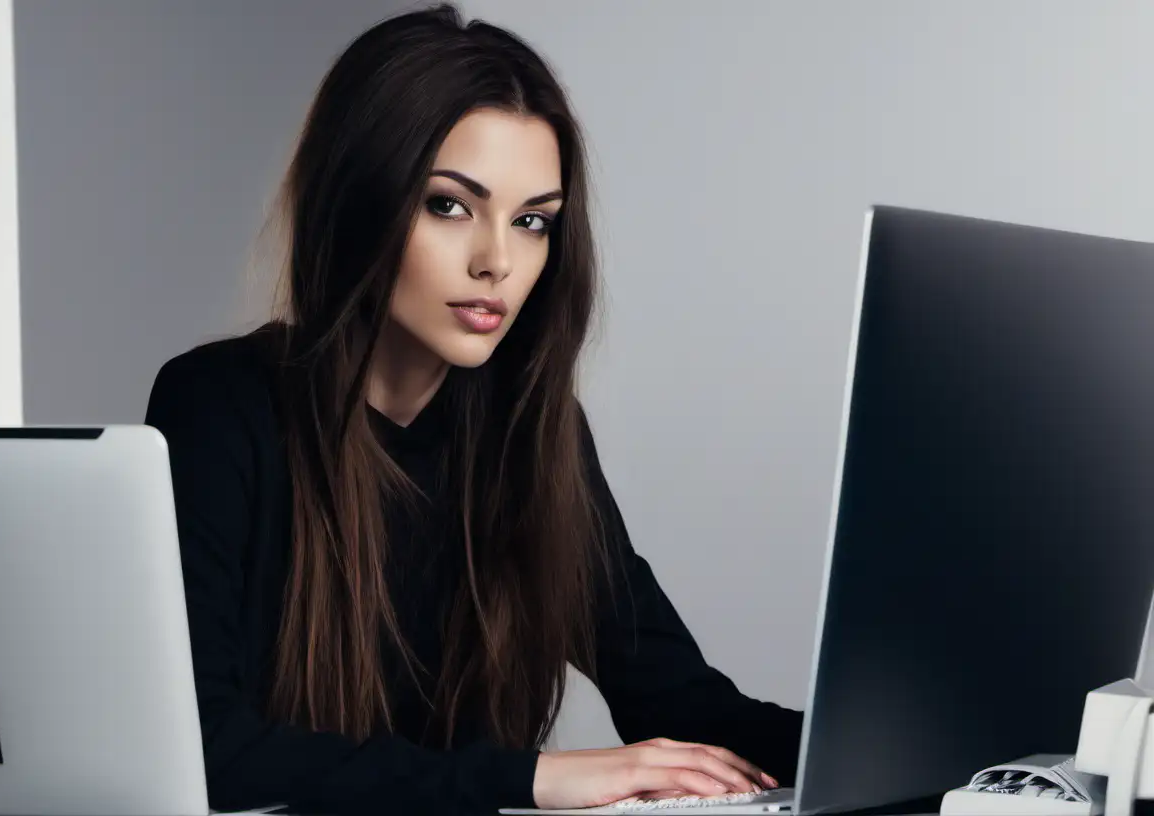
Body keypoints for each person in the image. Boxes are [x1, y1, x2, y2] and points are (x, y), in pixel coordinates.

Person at [144, 5, 802, 814]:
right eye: (449, 205)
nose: (498, 261)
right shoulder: (220, 407)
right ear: (358, 200)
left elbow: (681, 705)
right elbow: (206, 750)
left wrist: (944, 748)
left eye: (533, 222)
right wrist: (532, 778)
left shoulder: (530, 429)